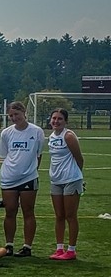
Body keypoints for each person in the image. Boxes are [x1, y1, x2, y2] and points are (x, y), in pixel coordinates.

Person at [0, 101, 45, 256]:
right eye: (11, 115)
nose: (13, 118)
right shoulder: (6, 133)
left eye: (16, 114)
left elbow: (38, 155)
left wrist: (30, 171)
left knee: (28, 211)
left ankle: (27, 246)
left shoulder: (37, 131)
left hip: (29, 177)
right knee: (10, 211)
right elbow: (5, 155)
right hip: (8, 177)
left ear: (24, 112)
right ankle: (9, 244)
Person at [47, 108, 84, 260]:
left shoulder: (68, 136)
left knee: (70, 215)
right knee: (59, 216)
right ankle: (59, 248)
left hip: (70, 179)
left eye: (60, 119)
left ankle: (71, 250)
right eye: (54, 118)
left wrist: (78, 176)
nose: (56, 121)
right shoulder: (51, 136)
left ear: (65, 121)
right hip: (56, 180)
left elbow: (79, 158)